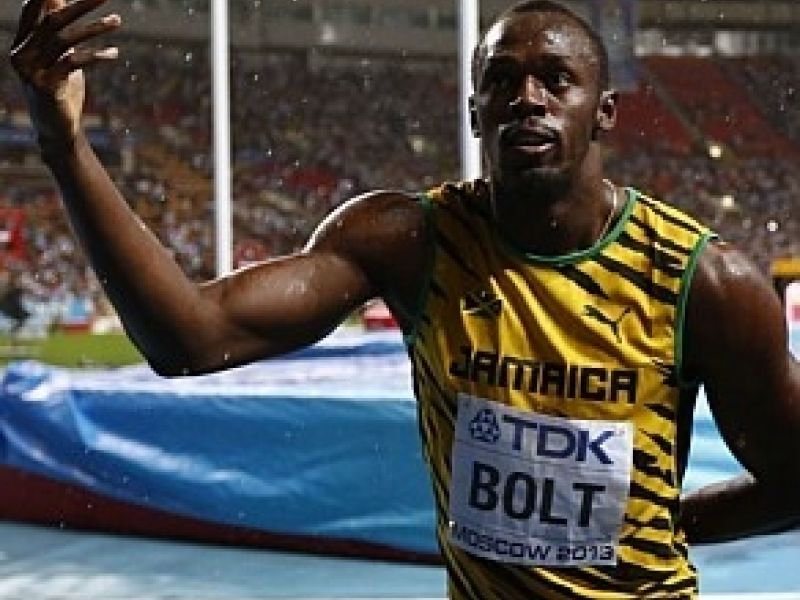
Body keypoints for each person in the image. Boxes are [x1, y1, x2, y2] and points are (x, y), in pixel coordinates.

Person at [9, 0, 800, 597]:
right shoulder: (411, 242)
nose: (527, 98)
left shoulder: (702, 281)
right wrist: (64, 144)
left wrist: (669, 521)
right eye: (501, 80)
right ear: (475, 112)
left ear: (605, 112)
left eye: (556, 80)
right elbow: (189, 337)